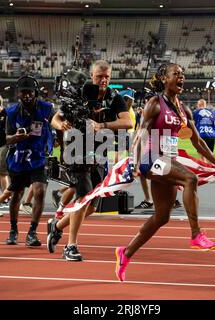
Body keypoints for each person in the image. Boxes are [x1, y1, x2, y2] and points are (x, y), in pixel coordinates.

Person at [114, 63, 215, 282]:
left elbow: (197, 142)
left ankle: (126, 253)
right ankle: (196, 234)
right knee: (190, 179)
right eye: (176, 74)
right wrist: (133, 162)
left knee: (161, 217)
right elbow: (140, 135)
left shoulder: (183, 109)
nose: (181, 77)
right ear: (164, 78)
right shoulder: (155, 104)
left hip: (166, 161)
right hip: (150, 159)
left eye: (183, 74)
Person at [47, 60, 133, 261]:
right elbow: (55, 118)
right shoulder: (78, 94)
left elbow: (127, 121)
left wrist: (101, 124)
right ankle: (71, 246)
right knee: (82, 198)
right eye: (99, 76)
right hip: (76, 151)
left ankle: (57, 226)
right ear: (91, 76)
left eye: (107, 77)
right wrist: (61, 125)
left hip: (100, 153)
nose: (103, 80)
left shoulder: (114, 97)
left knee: (93, 205)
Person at [5, 75, 54, 246]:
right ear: (18, 93)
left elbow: (57, 124)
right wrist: (16, 138)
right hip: (19, 159)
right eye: (23, 92)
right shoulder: (11, 112)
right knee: (17, 194)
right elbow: (6, 138)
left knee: (39, 191)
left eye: (29, 92)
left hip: (39, 157)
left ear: (35, 93)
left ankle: (32, 232)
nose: (26, 95)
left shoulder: (47, 109)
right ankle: (13, 230)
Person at [193, 99, 215, 163]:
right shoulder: (212, 112)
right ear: (205, 105)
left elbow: (193, 123)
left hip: (201, 135)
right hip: (212, 136)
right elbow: (214, 125)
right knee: (210, 155)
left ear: (198, 105)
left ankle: (205, 169)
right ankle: (211, 169)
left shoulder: (195, 112)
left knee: (201, 154)